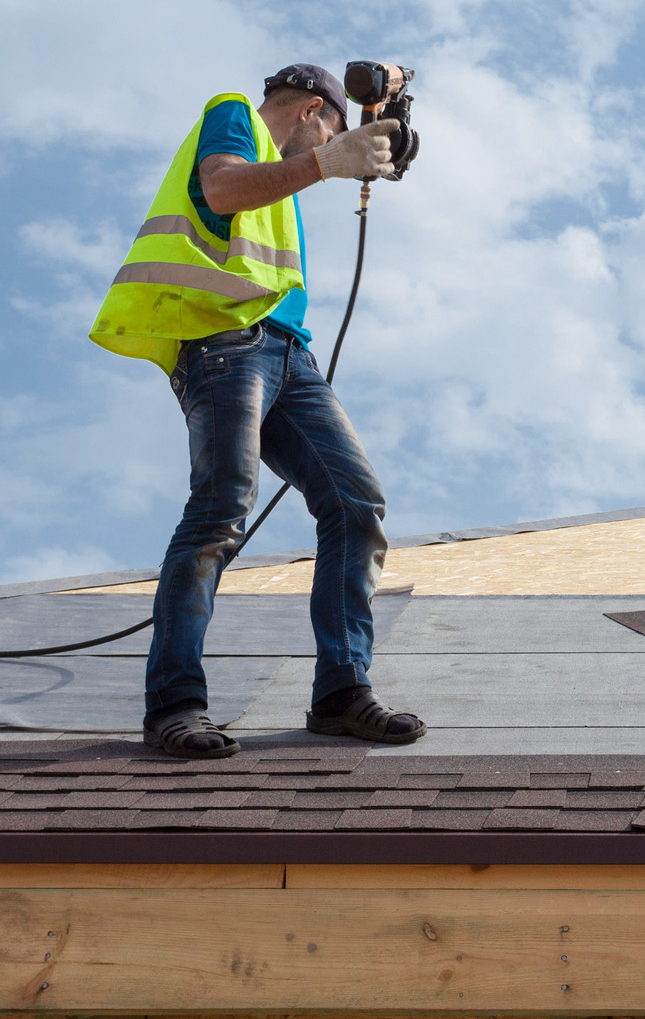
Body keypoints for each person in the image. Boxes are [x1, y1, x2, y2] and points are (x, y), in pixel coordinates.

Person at [88, 64, 426, 759]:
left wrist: (368, 133)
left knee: (356, 503)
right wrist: (330, 160)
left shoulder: (284, 176)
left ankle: (341, 693)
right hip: (222, 342)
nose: (333, 141)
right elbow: (221, 187)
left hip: (287, 352)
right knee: (220, 508)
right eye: (331, 125)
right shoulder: (234, 112)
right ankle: (175, 706)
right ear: (308, 111)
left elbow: (278, 184)